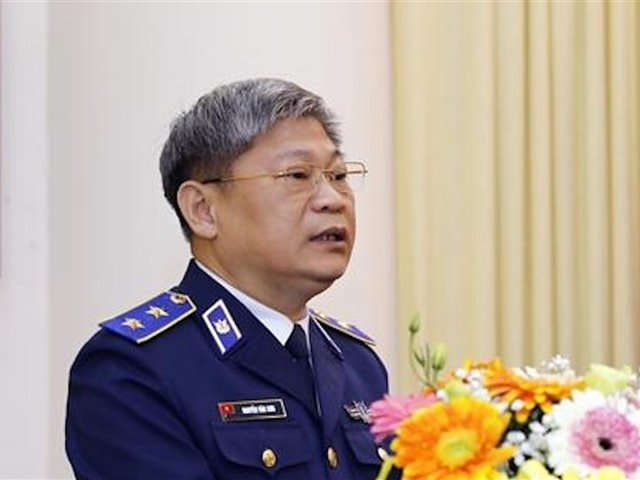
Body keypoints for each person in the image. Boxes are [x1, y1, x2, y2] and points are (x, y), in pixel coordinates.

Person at [65, 78, 393, 480]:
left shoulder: (359, 363)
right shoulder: (132, 370)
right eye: (296, 175)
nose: (333, 199)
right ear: (202, 210)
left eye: (339, 175)